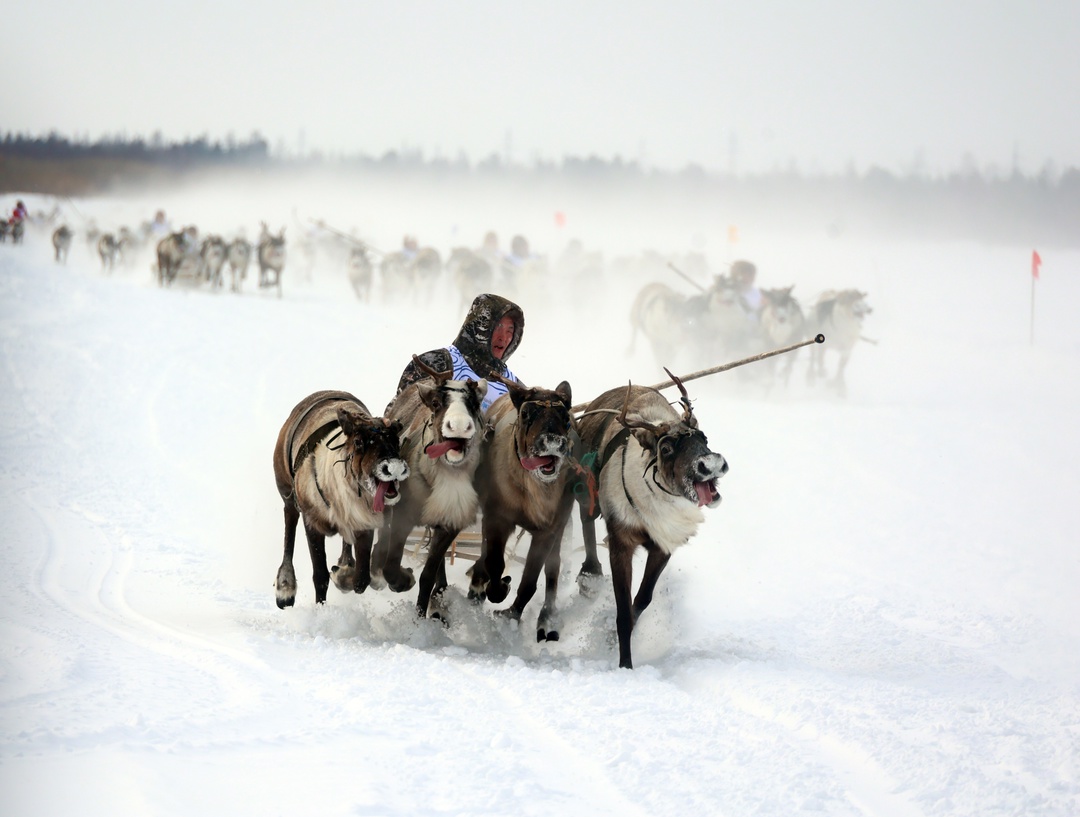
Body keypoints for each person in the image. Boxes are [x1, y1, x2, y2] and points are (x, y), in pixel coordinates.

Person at [388, 293, 524, 413]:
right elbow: (400, 414)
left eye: (510, 331)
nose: (503, 337)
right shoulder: (436, 363)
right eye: (498, 327)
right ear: (480, 327)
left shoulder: (514, 386)